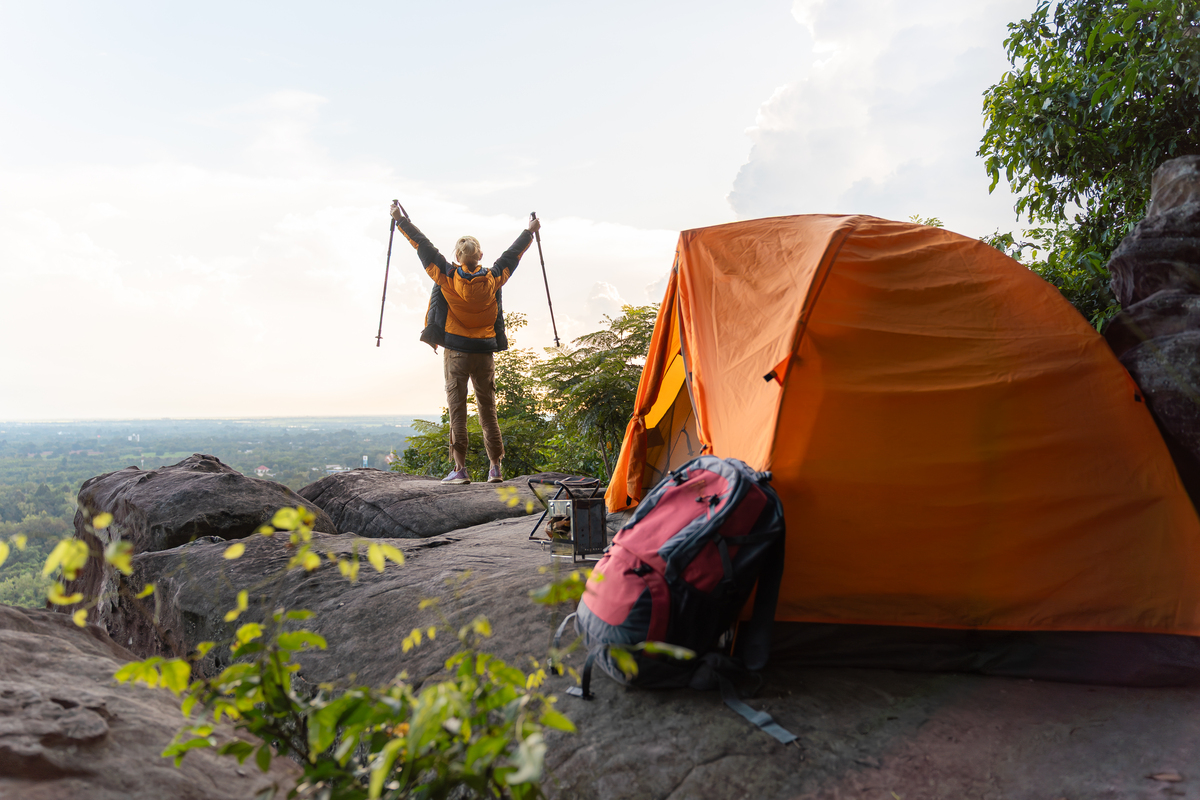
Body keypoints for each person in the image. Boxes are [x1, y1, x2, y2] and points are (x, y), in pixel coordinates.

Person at [390, 202, 540, 484]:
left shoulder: (446, 275)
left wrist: (400, 220)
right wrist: (529, 231)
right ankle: (495, 467)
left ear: (457, 257)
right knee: (488, 409)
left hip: (456, 353)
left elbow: (422, 246)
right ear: (481, 255)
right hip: (483, 353)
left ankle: (460, 470)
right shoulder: (494, 278)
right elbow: (513, 255)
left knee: (457, 410)